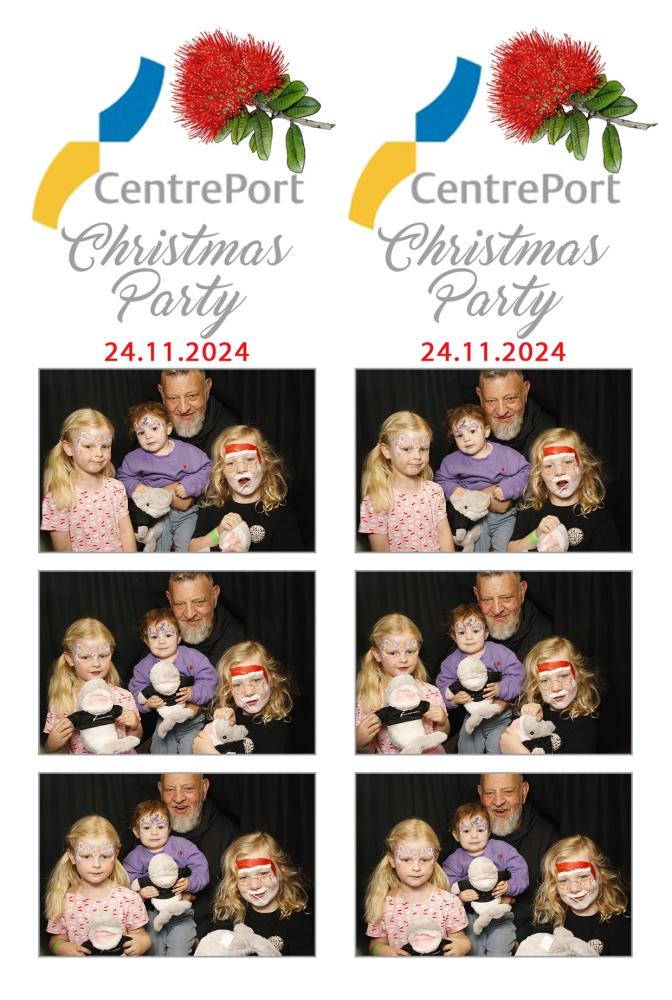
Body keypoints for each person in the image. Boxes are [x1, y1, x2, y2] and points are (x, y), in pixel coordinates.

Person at [45, 815, 150, 956]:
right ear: (72, 857)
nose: (96, 864)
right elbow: (56, 941)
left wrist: (141, 943)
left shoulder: (129, 898)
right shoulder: (63, 901)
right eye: (87, 856)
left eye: (104, 856)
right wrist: (63, 948)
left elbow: (141, 935)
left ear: (115, 855)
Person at [364, 818, 470, 956]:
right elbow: (375, 945)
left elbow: (461, 938)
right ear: (392, 860)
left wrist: (461, 946)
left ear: (435, 858)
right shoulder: (383, 904)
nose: (416, 868)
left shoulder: (448, 902)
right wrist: (382, 951)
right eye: (406, 860)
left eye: (424, 860)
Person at [117, 402, 212, 553]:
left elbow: (208, 469)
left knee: (186, 549)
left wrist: (189, 485)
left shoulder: (187, 452)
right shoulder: (134, 458)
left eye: (154, 428)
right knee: (159, 551)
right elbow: (123, 477)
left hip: (185, 514)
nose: (148, 436)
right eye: (141, 432)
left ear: (168, 428)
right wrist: (134, 486)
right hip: (156, 516)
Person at [189, 426, 302, 551]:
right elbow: (192, 549)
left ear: (265, 463)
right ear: (221, 471)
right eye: (230, 463)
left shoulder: (280, 515)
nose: (241, 469)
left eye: (249, 459)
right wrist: (219, 532)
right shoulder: (212, 508)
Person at [508, 428, 621, 552]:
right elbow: (511, 551)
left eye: (567, 462)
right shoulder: (530, 511)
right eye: (549, 465)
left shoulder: (598, 517)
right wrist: (536, 535)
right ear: (540, 474)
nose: (559, 471)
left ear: (583, 466)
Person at [436, 404, 530, 552]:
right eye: (459, 435)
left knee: (503, 550)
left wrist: (508, 487)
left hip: (504, 517)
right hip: (474, 518)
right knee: (479, 553)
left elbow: (526, 471)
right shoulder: (452, 461)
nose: (466, 439)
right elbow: (441, 479)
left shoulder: (505, 454)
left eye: (472, 431)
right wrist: (453, 488)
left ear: (486, 431)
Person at [122, 799, 209, 956]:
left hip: (179, 913)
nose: (154, 832)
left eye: (160, 827)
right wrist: (140, 894)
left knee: (179, 951)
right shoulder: (134, 858)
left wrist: (190, 883)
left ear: (169, 828)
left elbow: (201, 868)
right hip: (150, 916)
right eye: (146, 827)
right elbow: (126, 886)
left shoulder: (182, 846)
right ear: (136, 832)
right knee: (154, 952)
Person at [41, 408, 136, 552]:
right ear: (68, 448)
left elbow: (126, 533)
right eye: (88, 446)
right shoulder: (58, 497)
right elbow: (63, 550)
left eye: (105, 446)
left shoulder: (116, 488)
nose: (99, 454)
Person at [478, 773, 558, 942]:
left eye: (508, 792)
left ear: (524, 791)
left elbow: (555, 905)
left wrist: (525, 945)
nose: (498, 802)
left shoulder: (546, 836)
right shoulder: (469, 836)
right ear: (480, 793)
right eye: (490, 793)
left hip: (532, 938)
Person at [43, 618, 141, 754]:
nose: (96, 663)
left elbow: (135, 739)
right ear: (70, 659)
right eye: (85, 657)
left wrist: (135, 726)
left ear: (111, 654)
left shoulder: (123, 696)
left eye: (102, 656)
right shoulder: (62, 701)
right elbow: (57, 752)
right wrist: (50, 746)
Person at [442, 802, 529, 956]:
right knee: (474, 953)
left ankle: (508, 944)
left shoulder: (501, 849)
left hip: (499, 916)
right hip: (470, 919)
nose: (474, 835)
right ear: (456, 835)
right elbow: (446, 886)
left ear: (489, 831)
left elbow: (521, 871)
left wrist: (509, 886)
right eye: (466, 831)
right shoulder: (454, 860)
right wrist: (460, 897)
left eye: (480, 830)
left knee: (499, 952)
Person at [359, 411, 454, 552]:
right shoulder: (376, 500)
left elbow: (444, 536)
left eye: (423, 449)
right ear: (386, 451)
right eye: (407, 449)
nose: (417, 456)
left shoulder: (434, 491)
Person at [206, 832, 314, 955]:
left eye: (263, 873)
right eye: (244, 877)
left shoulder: (297, 922)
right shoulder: (229, 917)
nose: (254, 885)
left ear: (281, 872)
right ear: (234, 881)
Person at [158, 773, 238, 939]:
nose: (178, 798)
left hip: (211, 936)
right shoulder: (148, 831)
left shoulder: (226, 832)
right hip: (160, 933)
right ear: (160, 790)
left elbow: (234, 899)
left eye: (188, 788)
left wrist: (213, 942)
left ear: (204, 788)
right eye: (170, 790)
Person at [435, 604, 523, 754]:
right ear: (454, 637)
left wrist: (501, 688)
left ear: (486, 633)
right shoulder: (451, 662)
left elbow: (517, 675)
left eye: (475, 631)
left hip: (499, 716)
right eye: (461, 632)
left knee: (497, 747)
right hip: (471, 717)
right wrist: (454, 699)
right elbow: (442, 686)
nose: (469, 637)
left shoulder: (500, 653)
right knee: (466, 749)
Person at [356, 613, 448, 754]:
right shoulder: (370, 697)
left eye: (410, 651)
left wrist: (443, 722)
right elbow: (368, 750)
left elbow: (442, 735)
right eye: (393, 653)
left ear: (418, 650)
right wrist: (360, 740)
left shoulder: (430, 692)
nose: (403, 659)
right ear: (377, 654)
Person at [128, 609, 217, 754]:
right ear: (147, 641)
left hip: (192, 721)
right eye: (154, 637)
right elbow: (134, 692)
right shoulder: (144, 667)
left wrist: (193, 693)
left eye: (168, 635)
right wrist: (147, 703)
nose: (161, 641)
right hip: (164, 721)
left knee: (189, 750)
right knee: (159, 751)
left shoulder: (193, 657)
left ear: (179, 637)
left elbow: (210, 680)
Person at [531, 835, 630, 955]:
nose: (574, 889)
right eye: (563, 880)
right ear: (554, 885)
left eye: (583, 876)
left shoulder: (621, 927)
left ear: (601, 876)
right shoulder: (548, 923)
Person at [500, 637, 601, 754]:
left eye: (563, 676)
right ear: (536, 685)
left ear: (578, 675)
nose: (555, 688)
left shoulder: (583, 725)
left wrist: (520, 753)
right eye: (545, 680)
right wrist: (524, 722)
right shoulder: (537, 713)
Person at [192, 640, 294, 754]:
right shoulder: (229, 719)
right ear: (228, 689)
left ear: (271, 680)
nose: (248, 692)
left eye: (256, 680)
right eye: (237, 685)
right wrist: (217, 724)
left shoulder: (276, 729)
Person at [166, 571, 246, 667]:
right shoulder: (159, 640)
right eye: (180, 604)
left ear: (214, 595)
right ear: (170, 600)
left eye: (199, 602)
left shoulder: (238, 642)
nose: (189, 614)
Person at [473, 571, 552, 663]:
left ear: (522, 591)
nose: (497, 610)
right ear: (477, 595)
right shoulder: (466, 635)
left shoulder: (546, 637)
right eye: (487, 600)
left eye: (506, 598)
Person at [158, 369, 238, 458]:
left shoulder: (231, 432)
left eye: (192, 396)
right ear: (162, 394)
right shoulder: (151, 432)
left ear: (207, 388)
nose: (183, 409)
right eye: (173, 398)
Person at [475, 370, 553, 458]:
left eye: (510, 399)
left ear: (525, 391)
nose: (501, 412)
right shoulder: (469, 436)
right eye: (491, 401)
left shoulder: (549, 436)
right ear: (480, 396)